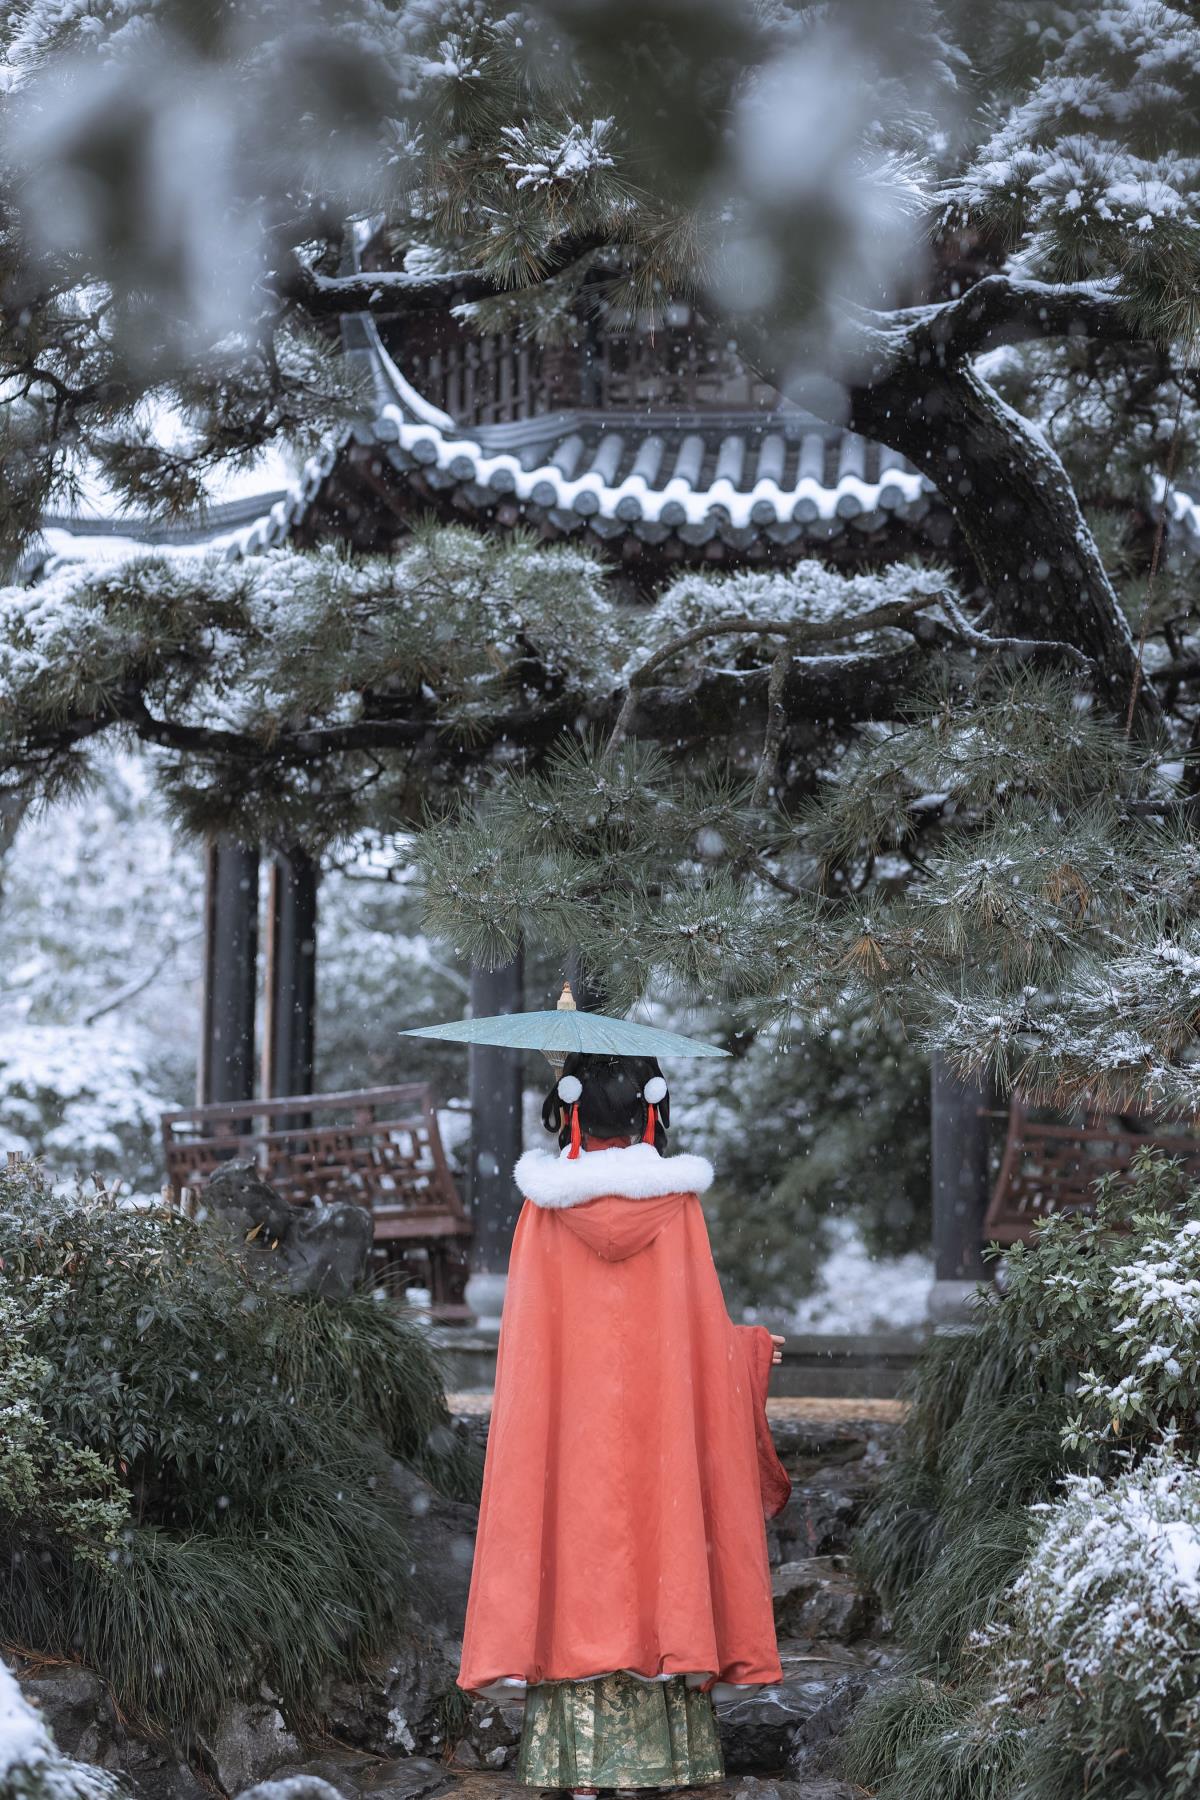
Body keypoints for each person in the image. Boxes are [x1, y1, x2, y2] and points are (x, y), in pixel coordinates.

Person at [457, 1051, 791, 1797]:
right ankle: (660, 1764)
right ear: (651, 1108)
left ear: (568, 1107)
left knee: (577, 1566)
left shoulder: (543, 1210)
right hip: (659, 1452)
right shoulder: (677, 1211)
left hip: (570, 1452)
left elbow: (529, 1362)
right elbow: (701, 1346)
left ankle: (574, 1770)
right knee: (660, 1561)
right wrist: (754, 1352)